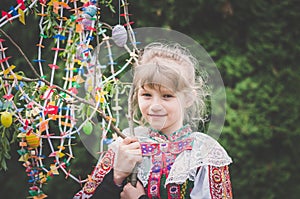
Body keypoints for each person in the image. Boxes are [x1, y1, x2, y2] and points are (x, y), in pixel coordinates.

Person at [73, 42, 233, 199]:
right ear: (136, 95)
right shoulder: (125, 147)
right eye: (147, 95)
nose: (155, 106)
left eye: (167, 96)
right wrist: (117, 176)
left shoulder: (204, 154)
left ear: (188, 99)